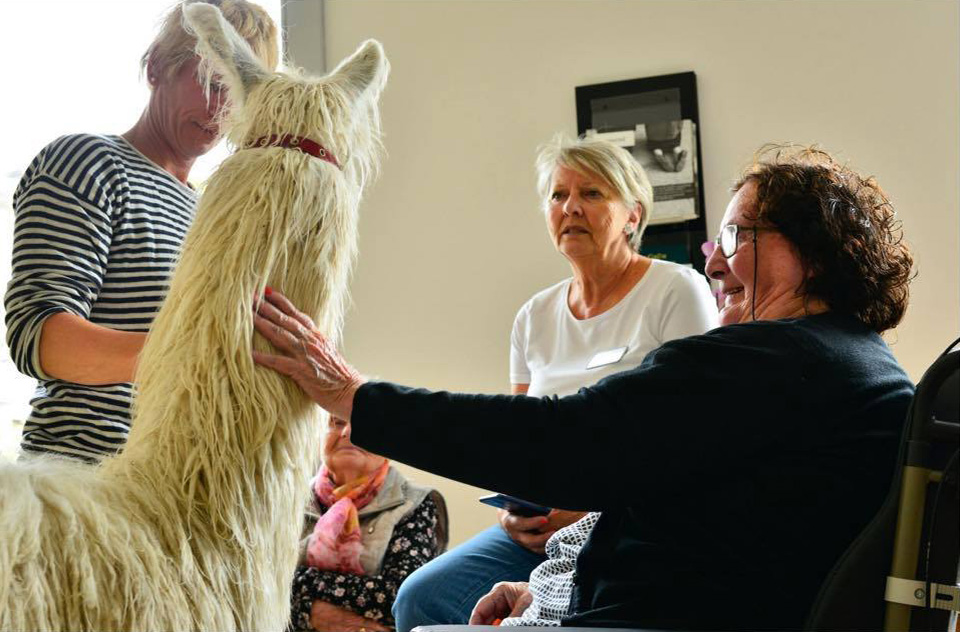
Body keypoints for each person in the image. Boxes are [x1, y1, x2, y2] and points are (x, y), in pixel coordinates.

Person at [252, 145, 916, 629]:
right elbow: (714, 529)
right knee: (427, 604)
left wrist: (355, 398)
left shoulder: (772, 360)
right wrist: (549, 591)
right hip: (654, 607)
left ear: (815, 251)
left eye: (736, 235)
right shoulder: (860, 362)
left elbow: (564, 442)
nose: (712, 258)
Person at [391, 135, 718, 631]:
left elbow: (693, 441)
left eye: (592, 194)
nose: (571, 208)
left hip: (626, 526)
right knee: (421, 598)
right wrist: (512, 513)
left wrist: (587, 508)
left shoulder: (677, 291)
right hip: (536, 532)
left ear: (633, 214)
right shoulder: (534, 316)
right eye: (558, 195)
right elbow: (518, 441)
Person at [4, 0, 278, 462]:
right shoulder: (88, 163)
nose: (224, 107)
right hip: (86, 484)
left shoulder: (209, 213)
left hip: (175, 493)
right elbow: (40, 337)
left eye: (239, 91)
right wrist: (199, 349)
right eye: (211, 81)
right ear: (155, 69)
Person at [290, 416, 448, 632]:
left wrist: (298, 583)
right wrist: (309, 613)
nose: (347, 432)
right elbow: (252, 590)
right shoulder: (286, 502)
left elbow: (400, 597)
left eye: (365, 423)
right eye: (336, 422)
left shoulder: (416, 503)